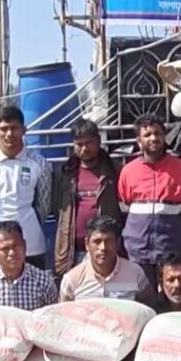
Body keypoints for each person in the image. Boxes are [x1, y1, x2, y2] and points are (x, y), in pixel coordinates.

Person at [117, 114, 181, 289]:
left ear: (164, 136)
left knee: (174, 295)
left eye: (157, 133)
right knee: (143, 296)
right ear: (139, 141)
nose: (153, 138)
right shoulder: (128, 171)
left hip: (173, 249)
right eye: (147, 135)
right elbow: (123, 211)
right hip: (138, 251)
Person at [0, 105, 52, 270]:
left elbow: (44, 206)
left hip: (31, 244)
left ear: (24, 130)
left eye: (14, 128)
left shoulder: (40, 164)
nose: (9, 134)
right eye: (4, 129)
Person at [52, 118, 123, 281]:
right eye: (79, 144)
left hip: (106, 249)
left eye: (89, 142)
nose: (85, 148)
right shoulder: (64, 174)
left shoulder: (115, 171)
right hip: (73, 252)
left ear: (98, 141)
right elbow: (57, 210)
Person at [60, 215, 153, 302]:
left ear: (118, 243)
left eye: (109, 241)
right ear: (87, 244)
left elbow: (147, 308)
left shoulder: (135, 274)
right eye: (97, 241)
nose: (103, 247)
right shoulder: (72, 279)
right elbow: (63, 311)